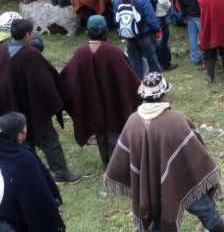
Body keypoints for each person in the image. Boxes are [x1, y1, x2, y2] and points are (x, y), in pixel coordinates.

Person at [105, 73, 224, 232]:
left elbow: (121, 159)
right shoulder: (177, 120)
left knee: (157, 215)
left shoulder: (132, 122)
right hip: (182, 181)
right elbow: (196, 152)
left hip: (149, 187)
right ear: (163, 94)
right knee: (207, 212)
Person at [0, 19, 79, 183]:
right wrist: (55, 102)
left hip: (11, 108)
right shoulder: (30, 54)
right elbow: (47, 83)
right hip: (34, 109)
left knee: (23, 143)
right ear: (27, 34)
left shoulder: (3, 51)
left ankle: (33, 173)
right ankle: (61, 173)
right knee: (49, 140)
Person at [61, 16, 140, 168]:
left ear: (87, 32)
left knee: (100, 134)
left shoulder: (80, 53)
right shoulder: (113, 52)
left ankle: (108, 164)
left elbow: (67, 77)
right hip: (114, 102)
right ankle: (117, 166)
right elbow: (129, 78)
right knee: (115, 133)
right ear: (105, 31)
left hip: (92, 104)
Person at [0, 112, 66, 232]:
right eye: (24, 127)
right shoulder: (24, 158)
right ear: (19, 135)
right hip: (28, 217)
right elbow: (39, 192)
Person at [113, 0, 162, 79]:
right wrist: (157, 29)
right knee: (152, 61)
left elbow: (116, 18)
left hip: (129, 35)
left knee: (135, 62)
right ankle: (157, 86)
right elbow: (150, 17)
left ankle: (138, 86)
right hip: (145, 34)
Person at [141, 0, 176, 72]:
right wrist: (168, 9)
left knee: (151, 40)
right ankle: (165, 63)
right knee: (162, 40)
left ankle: (153, 63)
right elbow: (164, 0)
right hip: (159, 14)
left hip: (146, 14)